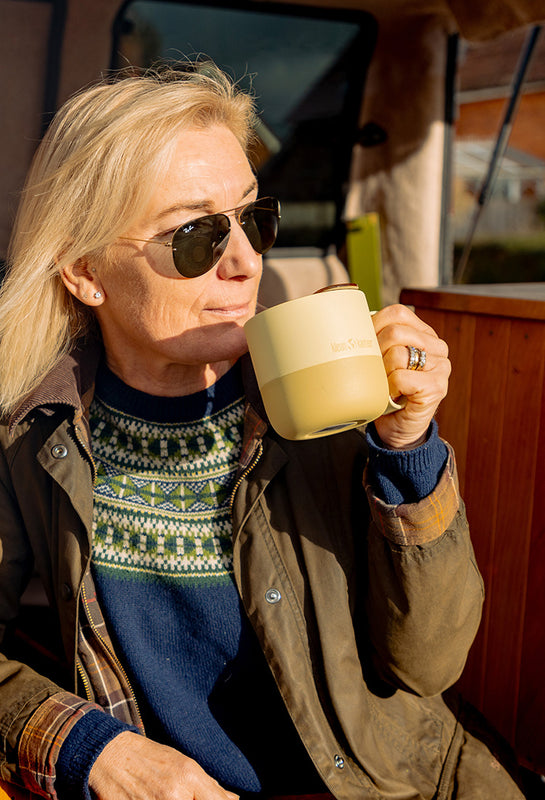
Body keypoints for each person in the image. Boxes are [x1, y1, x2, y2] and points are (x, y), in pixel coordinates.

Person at [0, 62, 524, 800]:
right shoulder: (33, 435)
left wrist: (407, 450)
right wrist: (94, 750)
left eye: (253, 218)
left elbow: (428, 666)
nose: (247, 262)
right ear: (86, 272)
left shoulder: (330, 399)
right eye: (195, 236)